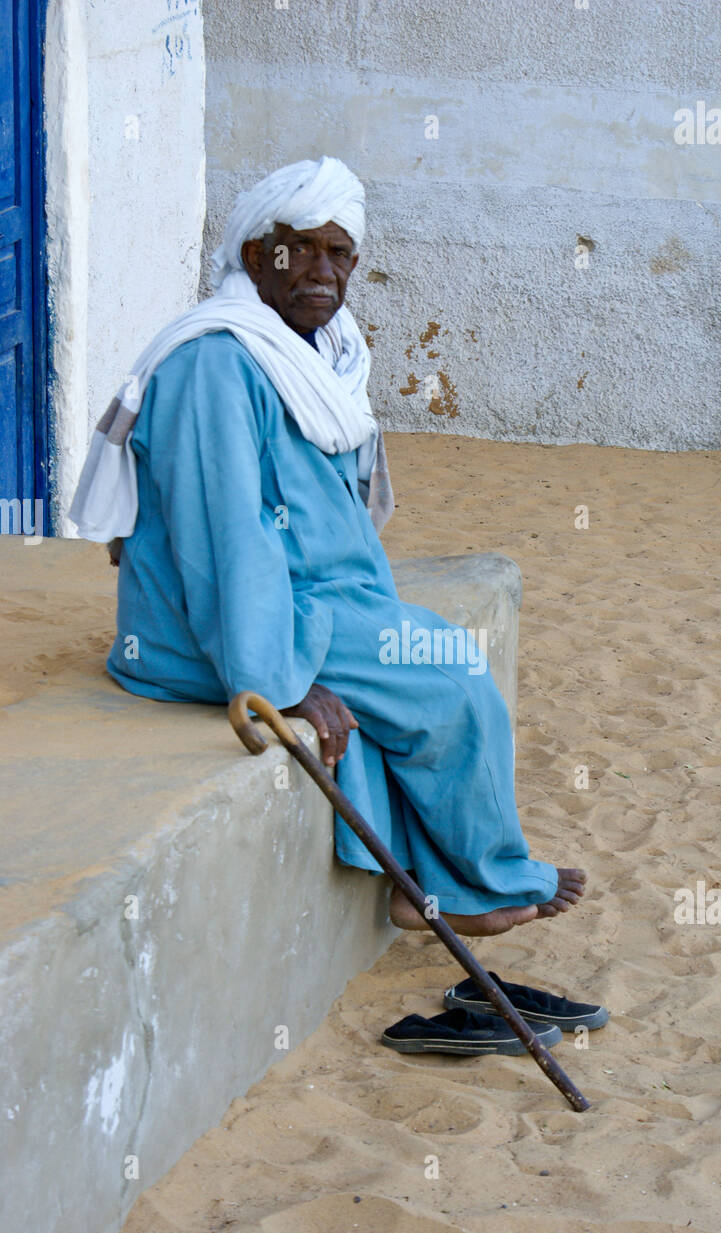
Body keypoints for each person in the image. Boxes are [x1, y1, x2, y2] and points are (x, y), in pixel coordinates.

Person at [69, 156, 586, 936]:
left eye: (338, 254)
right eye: (299, 250)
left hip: (319, 601)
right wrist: (276, 679)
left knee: (424, 670)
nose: (320, 272)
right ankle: (484, 883)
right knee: (451, 678)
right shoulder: (217, 362)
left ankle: (425, 890)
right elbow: (226, 542)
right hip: (223, 628)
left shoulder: (323, 354)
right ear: (255, 258)